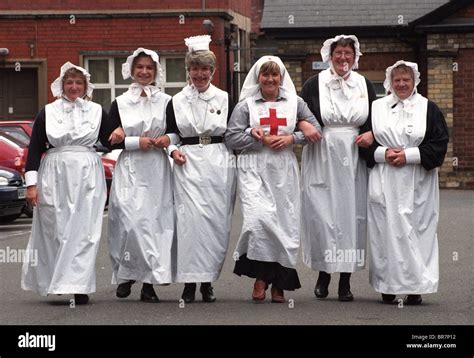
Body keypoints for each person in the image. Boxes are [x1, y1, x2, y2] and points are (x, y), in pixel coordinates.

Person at [225, 55, 322, 303]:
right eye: (265, 74)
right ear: (258, 77)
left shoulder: (295, 103)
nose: (270, 79)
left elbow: (315, 130)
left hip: (283, 169)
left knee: (284, 226)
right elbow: (232, 138)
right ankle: (261, 277)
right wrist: (258, 138)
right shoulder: (246, 105)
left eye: (274, 74)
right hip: (254, 168)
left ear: (281, 77)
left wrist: (292, 138)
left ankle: (277, 285)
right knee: (259, 221)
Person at [360, 61, 448, 305]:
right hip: (384, 179)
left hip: (417, 180)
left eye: (405, 80)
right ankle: (387, 286)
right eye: (396, 80)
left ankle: (414, 287)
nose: (401, 84)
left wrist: (408, 156)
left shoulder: (428, 108)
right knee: (385, 233)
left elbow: (439, 144)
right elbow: (363, 145)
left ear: (414, 81)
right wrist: (384, 154)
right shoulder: (376, 108)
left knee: (417, 231)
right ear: (389, 82)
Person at [21, 62, 109, 304]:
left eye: (78, 83)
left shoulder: (97, 111)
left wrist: (124, 135)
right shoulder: (47, 112)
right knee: (56, 228)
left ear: (85, 86)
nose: (73, 87)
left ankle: (78, 285)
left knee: (84, 231)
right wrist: (31, 185)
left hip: (87, 173)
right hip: (55, 172)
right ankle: (56, 281)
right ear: (61, 85)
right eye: (69, 82)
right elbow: (35, 149)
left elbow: (112, 140)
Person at [300, 34, 376, 302]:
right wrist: (304, 124)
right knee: (322, 216)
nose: (343, 57)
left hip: (353, 154)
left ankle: (345, 280)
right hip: (322, 152)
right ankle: (324, 273)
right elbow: (300, 112)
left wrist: (371, 134)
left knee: (351, 217)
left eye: (348, 53)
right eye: (338, 53)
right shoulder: (314, 83)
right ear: (329, 56)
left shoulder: (364, 84)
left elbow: (376, 118)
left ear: (355, 57)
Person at [167, 35, 236, 303]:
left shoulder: (225, 98)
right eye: (194, 68)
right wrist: (172, 151)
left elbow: (234, 133)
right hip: (188, 161)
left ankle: (207, 280)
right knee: (189, 223)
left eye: (204, 69)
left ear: (212, 71)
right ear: (188, 71)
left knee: (214, 223)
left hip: (219, 162)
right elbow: (171, 134)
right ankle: (188, 282)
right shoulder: (176, 101)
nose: (199, 73)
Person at [107, 48, 177, 302]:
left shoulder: (167, 101)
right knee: (129, 223)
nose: (144, 72)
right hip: (130, 167)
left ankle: (149, 283)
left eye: (149, 67)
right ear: (131, 70)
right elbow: (109, 141)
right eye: (140, 67)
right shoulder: (120, 102)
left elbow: (176, 132)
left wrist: (167, 140)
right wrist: (137, 141)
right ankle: (126, 273)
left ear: (156, 71)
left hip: (156, 169)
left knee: (153, 225)